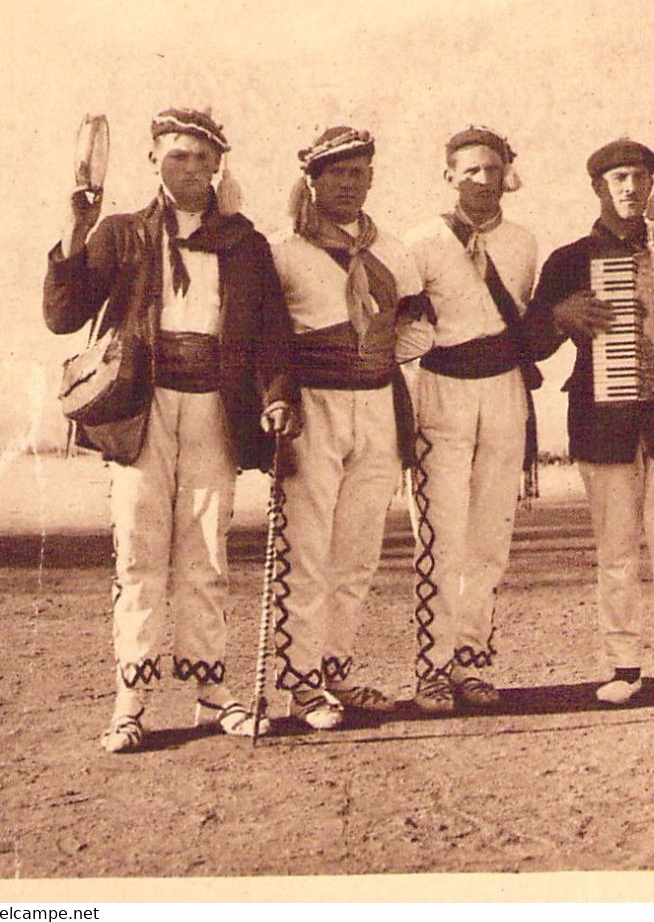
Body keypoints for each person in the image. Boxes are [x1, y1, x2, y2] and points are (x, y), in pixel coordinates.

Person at [43, 107, 296, 752]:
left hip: (215, 407)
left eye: (200, 156)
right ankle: (132, 701)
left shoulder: (246, 243)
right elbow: (63, 316)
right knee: (139, 552)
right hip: (141, 411)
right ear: (153, 159)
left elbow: (270, 333)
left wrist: (276, 397)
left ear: (218, 165)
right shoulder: (122, 234)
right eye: (176, 155)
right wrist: (77, 231)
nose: (189, 167)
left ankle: (213, 694)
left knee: (207, 553)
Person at [520, 137, 654, 717]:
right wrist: (559, 316)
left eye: (639, 177)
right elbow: (531, 342)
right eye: (618, 179)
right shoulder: (568, 259)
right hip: (601, 417)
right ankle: (623, 666)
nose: (630, 189)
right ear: (598, 188)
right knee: (615, 549)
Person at [269, 126, 428, 730]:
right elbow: (268, 338)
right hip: (314, 406)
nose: (349, 183)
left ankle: (334, 669)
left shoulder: (390, 248)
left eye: (359, 172)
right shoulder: (283, 249)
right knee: (307, 551)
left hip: (378, 406)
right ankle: (301, 685)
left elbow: (416, 321)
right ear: (311, 179)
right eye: (336, 172)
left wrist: (387, 347)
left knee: (357, 553)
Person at [402, 126, 539, 711]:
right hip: (441, 390)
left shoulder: (525, 242)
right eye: (470, 170)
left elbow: (527, 322)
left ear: (508, 170)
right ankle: (432, 669)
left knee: (489, 537)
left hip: (504, 391)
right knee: (440, 535)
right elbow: (404, 329)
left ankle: (470, 663)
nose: (482, 180)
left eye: (492, 168)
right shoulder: (422, 241)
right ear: (449, 175)